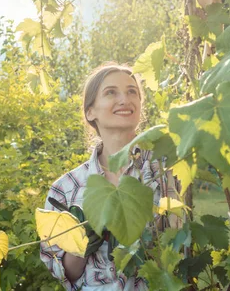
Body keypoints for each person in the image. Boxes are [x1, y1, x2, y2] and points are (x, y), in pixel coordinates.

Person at [40, 63, 180, 291]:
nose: (125, 99)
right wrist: (81, 243)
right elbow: (66, 274)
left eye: (132, 91)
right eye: (111, 92)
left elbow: (180, 245)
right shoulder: (65, 189)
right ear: (90, 112)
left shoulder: (164, 169)